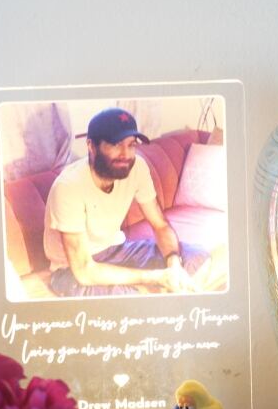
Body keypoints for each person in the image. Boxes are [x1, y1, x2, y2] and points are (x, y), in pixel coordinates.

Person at [43, 107, 205, 296]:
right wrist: (156, 277)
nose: (126, 154)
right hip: (70, 270)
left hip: (117, 250)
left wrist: (173, 265)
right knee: (128, 299)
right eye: (116, 144)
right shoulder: (68, 187)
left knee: (196, 255)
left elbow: (160, 225)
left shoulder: (137, 168)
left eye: (131, 145)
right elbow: (84, 270)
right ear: (91, 146)